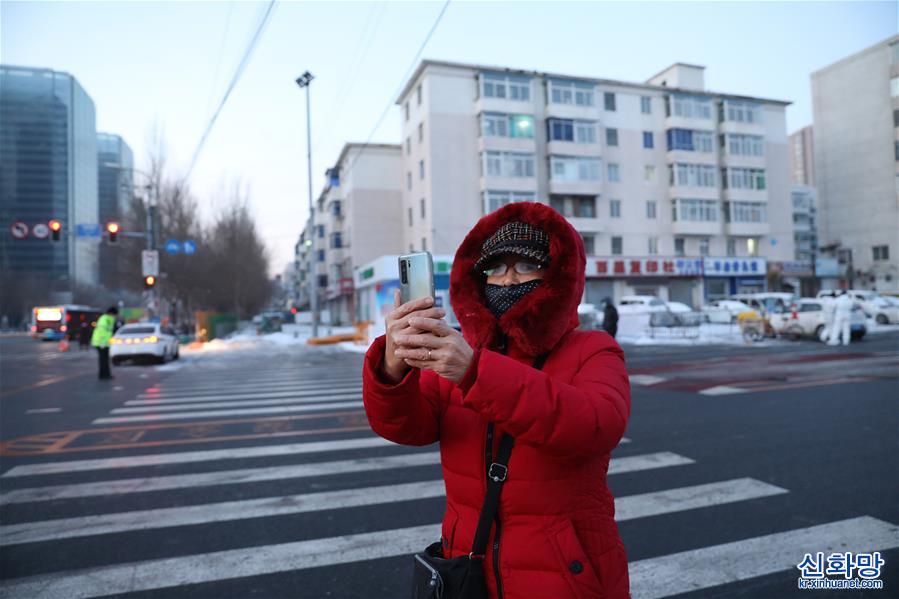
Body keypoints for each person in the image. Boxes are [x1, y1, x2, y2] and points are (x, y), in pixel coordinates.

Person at [362, 202, 631, 599]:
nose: (506, 280)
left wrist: (475, 374)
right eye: (495, 267)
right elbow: (406, 428)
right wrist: (391, 368)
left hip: (565, 576)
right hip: (468, 567)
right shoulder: (459, 352)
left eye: (525, 266)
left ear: (558, 274)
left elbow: (595, 426)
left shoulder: (593, 350)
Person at [91, 306, 118, 379]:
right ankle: (104, 375)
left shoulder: (109, 319)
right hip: (101, 343)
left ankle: (105, 374)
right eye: (115, 314)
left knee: (104, 359)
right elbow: (102, 332)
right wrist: (102, 343)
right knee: (103, 360)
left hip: (104, 343)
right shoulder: (105, 319)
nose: (115, 316)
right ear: (112, 313)